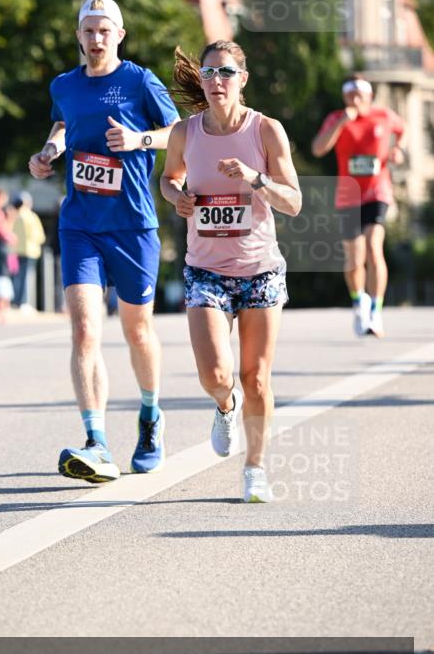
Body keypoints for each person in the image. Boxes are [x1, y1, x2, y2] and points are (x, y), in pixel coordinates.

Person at [28, 0, 180, 483]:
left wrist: (140, 140)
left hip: (133, 224)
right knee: (85, 331)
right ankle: (96, 442)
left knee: (137, 331)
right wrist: (50, 150)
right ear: (78, 36)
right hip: (80, 224)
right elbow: (64, 123)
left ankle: (151, 415)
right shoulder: (64, 85)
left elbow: (178, 133)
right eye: (88, 31)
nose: (96, 39)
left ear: (119, 35)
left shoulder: (138, 80)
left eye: (104, 31)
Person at [160, 41, 301, 503]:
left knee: (256, 376)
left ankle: (255, 468)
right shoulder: (185, 132)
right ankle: (225, 406)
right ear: (200, 79)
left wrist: (254, 178)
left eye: (226, 72)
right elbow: (170, 176)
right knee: (216, 374)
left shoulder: (266, 131)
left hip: (260, 269)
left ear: (242, 78)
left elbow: (294, 202)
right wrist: (175, 194)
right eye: (209, 72)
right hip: (205, 269)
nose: (216, 80)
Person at [312, 74, 406, 338]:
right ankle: (359, 303)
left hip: (378, 190)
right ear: (344, 97)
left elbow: (403, 129)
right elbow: (318, 148)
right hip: (348, 195)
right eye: (349, 96)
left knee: (374, 247)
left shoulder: (384, 116)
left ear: (369, 97)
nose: (354, 100)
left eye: (359, 96)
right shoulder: (336, 118)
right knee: (354, 258)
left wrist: (398, 149)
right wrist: (342, 122)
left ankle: (376, 310)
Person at [11, 192, 46, 310]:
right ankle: (24, 302)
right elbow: (40, 236)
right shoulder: (32, 216)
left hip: (15, 251)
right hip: (30, 251)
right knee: (26, 277)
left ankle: (15, 302)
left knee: (16, 277)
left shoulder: (14, 216)